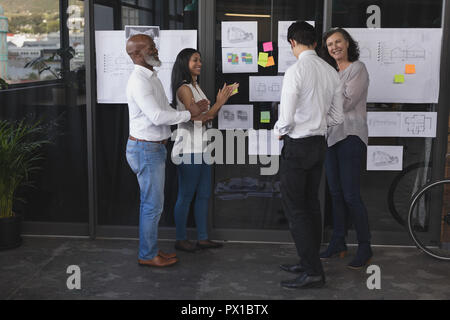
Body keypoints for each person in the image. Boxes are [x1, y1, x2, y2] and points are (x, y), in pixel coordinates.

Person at [125, 34, 211, 267]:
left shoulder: (151, 77)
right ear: (136, 54)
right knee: (152, 205)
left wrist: (192, 109)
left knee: (152, 204)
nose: (155, 49)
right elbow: (157, 116)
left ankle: (151, 250)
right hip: (146, 149)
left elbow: (165, 108)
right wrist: (190, 113)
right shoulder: (139, 81)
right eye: (150, 47)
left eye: (154, 46)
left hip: (154, 148)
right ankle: (147, 255)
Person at [274, 21, 344, 289]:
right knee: (311, 205)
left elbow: (287, 117)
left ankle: (313, 271)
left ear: (292, 42)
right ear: (315, 42)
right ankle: (308, 262)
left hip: (298, 145)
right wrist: (317, 121)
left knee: (296, 210)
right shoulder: (330, 71)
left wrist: (279, 131)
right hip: (318, 144)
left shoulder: (296, 71)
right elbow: (337, 116)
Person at [170, 48, 238, 252]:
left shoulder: (195, 86)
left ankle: (202, 237)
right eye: (195, 60)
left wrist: (218, 104)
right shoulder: (184, 88)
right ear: (185, 63)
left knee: (204, 194)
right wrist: (218, 103)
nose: (200, 63)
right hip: (188, 149)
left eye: (200, 59)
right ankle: (180, 239)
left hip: (203, 148)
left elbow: (206, 115)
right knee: (186, 195)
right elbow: (198, 118)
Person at [319, 28, 372, 269]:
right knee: (336, 194)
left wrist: (325, 100)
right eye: (330, 44)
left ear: (347, 43)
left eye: (338, 41)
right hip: (331, 138)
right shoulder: (329, 72)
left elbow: (347, 103)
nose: (334, 47)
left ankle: (365, 246)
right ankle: (338, 241)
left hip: (351, 136)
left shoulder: (357, 68)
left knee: (351, 195)